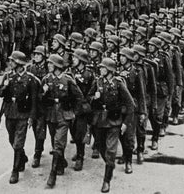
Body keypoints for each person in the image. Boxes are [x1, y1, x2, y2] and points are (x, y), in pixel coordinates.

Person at [88, 57, 135, 193]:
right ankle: (110, 164)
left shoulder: (119, 83)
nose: (101, 69)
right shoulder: (98, 82)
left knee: (111, 150)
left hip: (114, 121)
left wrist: (126, 123)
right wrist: (94, 98)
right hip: (100, 121)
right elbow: (88, 98)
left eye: (103, 68)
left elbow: (130, 104)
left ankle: (106, 180)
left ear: (110, 70)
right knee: (102, 148)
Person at [40, 53, 84, 188]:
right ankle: (60, 163)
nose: (48, 66)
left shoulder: (68, 80)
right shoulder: (46, 79)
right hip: (51, 114)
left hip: (64, 115)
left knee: (59, 142)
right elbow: (39, 98)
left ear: (58, 66)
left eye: (51, 64)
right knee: (55, 141)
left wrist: (74, 113)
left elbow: (79, 97)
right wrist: (44, 92)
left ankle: (52, 175)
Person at [0, 50, 38, 184]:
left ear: (19, 64)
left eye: (12, 61)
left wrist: (31, 117)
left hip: (23, 113)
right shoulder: (8, 76)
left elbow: (33, 99)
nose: (10, 63)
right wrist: (4, 87)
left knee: (18, 142)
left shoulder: (30, 78)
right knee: (11, 139)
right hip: (10, 111)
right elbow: (0, 93)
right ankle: (22, 157)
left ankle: (15, 171)